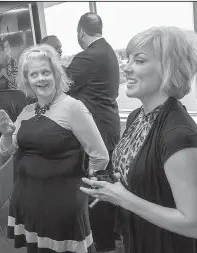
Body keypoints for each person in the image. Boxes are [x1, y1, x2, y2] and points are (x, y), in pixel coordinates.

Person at [80, 26, 197, 253]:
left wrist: (123, 198)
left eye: (139, 61)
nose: (127, 68)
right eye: (128, 60)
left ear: (169, 68)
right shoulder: (137, 117)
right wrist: (113, 185)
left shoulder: (178, 134)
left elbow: (196, 225)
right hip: (139, 237)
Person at [0, 44, 109, 253]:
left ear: (55, 73)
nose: (41, 79)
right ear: (27, 80)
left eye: (45, 72)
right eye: (34, 74)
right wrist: (6, 133)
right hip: (28, 199)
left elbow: (100, 157)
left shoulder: (72, 107)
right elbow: (8, 151)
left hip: (62, 204)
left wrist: (83, 191)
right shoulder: (27, 111)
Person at [65, 12, 121, 252]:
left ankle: (104, 243)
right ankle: (113, 234)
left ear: (80, 33)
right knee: (107, 182)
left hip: (96, 132)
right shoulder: (109, 52)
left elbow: (61, 87)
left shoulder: (86, 57)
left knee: (95, 187)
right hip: (109, 126)